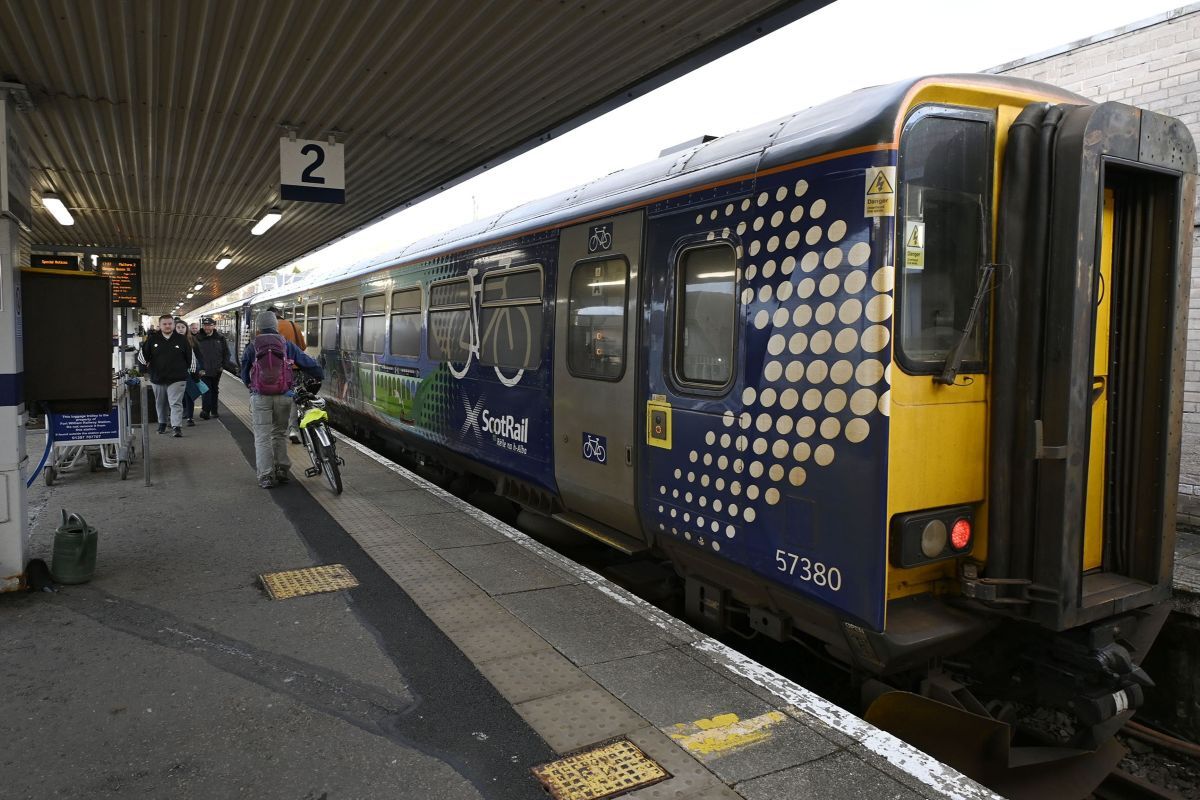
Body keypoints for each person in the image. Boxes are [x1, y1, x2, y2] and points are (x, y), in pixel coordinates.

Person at [241, 309, 323, 489]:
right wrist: (319, 374)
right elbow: (306, 362)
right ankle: (282, 470)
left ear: (259, 327)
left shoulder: (253, 345)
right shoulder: (286, 344)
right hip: (284, 396)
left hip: (260, 396)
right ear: (275, 325)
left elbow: (244, 370)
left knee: (262, 437)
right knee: (279, 433)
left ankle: (265, 476)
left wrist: (250, 385)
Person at [138, 314, 196, 437]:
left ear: (173, 325)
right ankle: (162, 423)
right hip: (157, 378)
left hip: (177, 378)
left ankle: (176, 427)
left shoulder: (181, 339)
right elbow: (142, 356)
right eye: (165, 324)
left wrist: (193, 373)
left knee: (175, 403)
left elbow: (191, 357)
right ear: (160, 325)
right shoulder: (152, 339)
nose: (168, 326)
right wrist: (143, 370)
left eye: (170, 323)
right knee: (160, 403)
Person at [268, 305, 307, 443]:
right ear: (279, 314)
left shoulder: (266, 330)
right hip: (293, 369)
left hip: (273, 370)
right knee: (292, 399)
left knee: (274, 398)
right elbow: (302, 346)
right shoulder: (293, 325)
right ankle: (293, 429)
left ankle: (277, 429)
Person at [195, 316, 230, 419]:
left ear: (214, 326)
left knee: (214, 390)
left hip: (217, 370)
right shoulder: (197, 338)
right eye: (205, 325)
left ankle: (214, 410)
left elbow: (226, 353)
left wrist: (223, 366)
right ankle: (205, 411)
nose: (207, 327)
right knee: (206, 390)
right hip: (203, 370)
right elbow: (193, 355)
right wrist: (198, 368)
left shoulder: (220, 338)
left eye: (209, 325)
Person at [177, 317, 200, 427]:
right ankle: (182, 413)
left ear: (187, 329)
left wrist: (196, 372)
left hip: (189, 373)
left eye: (183, 327)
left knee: (189, 395)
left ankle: (190, 417)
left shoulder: (192, 341)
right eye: (178, 327)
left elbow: (198, 356)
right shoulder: (170, 341)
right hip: (175, 374)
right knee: (178, 396)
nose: (180, 329)